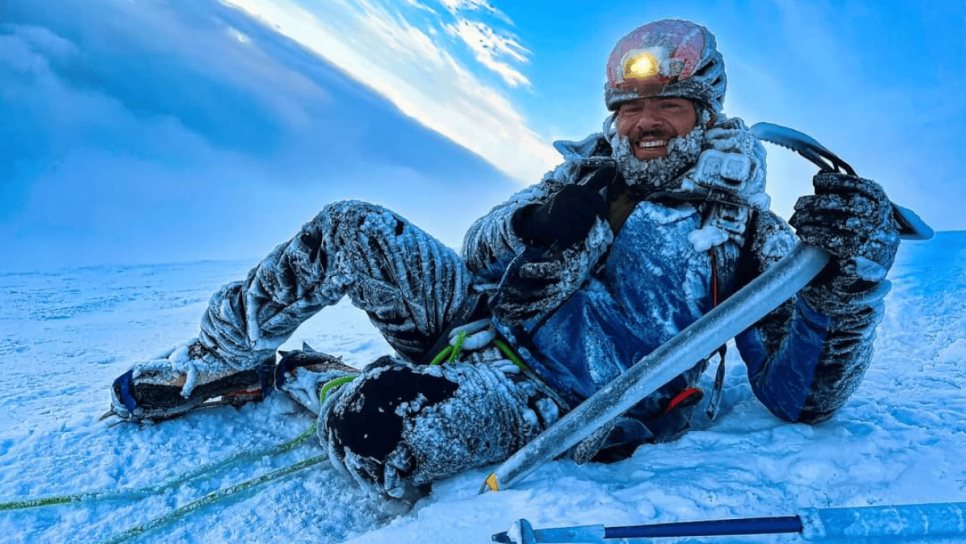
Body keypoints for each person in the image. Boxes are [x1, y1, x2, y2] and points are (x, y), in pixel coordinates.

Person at [108, 19, 899, 503]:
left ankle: (311, 378)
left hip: (557, 403)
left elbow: (801, 400)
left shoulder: (748, 237)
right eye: (628, 109)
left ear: (706, 112)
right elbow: (478, 250)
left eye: (667, 105)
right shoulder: (585, 173)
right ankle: (216, 362)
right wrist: (533, 220)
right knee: (354, 225)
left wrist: (852, 284)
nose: (644, 124)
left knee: (373, 426)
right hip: (483, 324)